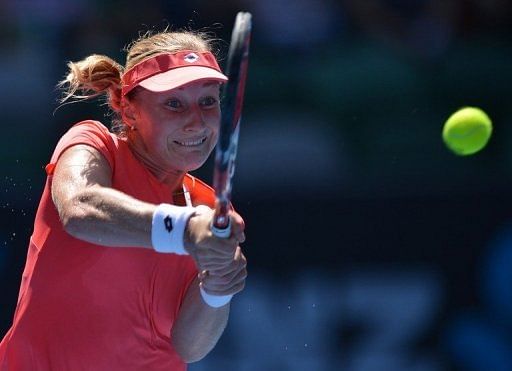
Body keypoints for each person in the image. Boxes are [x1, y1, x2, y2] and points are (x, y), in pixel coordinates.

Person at [0, 29, 248, 370]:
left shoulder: (208, 210)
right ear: (128, 111)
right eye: (174, 103)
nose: (197, 121)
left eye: (208, 101)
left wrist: (218, 288)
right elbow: (80, 207)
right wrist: (185, 230)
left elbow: (190, 347)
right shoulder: (93, 143)